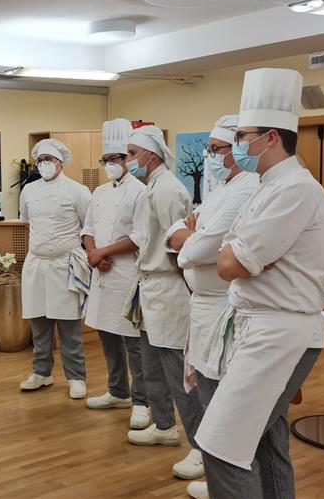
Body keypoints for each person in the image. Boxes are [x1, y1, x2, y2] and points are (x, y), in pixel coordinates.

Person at [194, 68, 324, 499]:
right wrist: (235, 254)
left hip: (278, 332)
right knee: (266, 440)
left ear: (270, 137)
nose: (236, 147)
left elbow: (230, 262)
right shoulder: (265, 186)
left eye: (242, 136)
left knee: (221, 444)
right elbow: (231, 254)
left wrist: (233, 254)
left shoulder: (295, 190)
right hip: (257, 324)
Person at [165, 115, 259, 497]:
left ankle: (222, 471)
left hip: (223, 304)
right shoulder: (223, 187)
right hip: (202, 303)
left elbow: (204, 247)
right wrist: (189, 235)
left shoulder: (246, 188)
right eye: (215, 148)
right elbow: (181, 233)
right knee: (203, 389)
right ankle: (210, 462)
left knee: (220, 396)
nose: (213, 156)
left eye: (220, 148)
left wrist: (188, 236)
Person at [124, 126, 205, 481]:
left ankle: (201, 448)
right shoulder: (151, 187)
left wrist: (180, 281)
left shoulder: (169, 189)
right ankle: (163, 425)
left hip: (168, 288)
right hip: (151, 287)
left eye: (131, 154)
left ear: (150, 155)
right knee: (150, 363)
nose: (128, 161)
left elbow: (179, 244)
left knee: (177, 374)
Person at [81, 119, 151, 430]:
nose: (110, 165)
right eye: (105, 160)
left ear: (129, 159)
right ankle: (118, 390)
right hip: (102, 272)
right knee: (107, 336)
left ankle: (142, 400)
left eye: (116, 159)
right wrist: (93, 252)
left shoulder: (142, 192)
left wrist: (103, 253)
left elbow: (139, 236)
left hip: (126, 272)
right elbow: (88, 229)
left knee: (133, 341)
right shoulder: (98, 191)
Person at [18, 138, 91, 399]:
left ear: (61, 162)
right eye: (40, 160)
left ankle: (76, 377)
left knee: (69, 324)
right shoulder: (28, 191)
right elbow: (28, 223)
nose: (44, 164)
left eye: (49, 160)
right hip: (37, 263)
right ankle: (41, 372)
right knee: (39, 321)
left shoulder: (78, 191)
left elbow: (88, 227)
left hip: (65, 264)